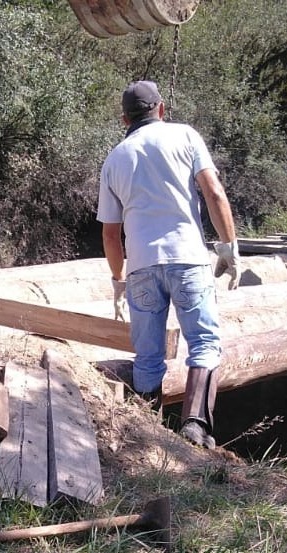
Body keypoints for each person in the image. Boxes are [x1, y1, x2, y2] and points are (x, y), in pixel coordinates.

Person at [97, 80, 239, 449]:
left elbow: (111, 235)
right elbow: (214, 192)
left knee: (147, 355)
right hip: (187, 257)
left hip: (142, 265)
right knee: (204, 342)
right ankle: (195, 426)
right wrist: (228, 246)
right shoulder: (185, 136)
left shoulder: (114, 159)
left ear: (124, 119)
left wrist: (118, 279)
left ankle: (147, 433)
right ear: (160, 108)